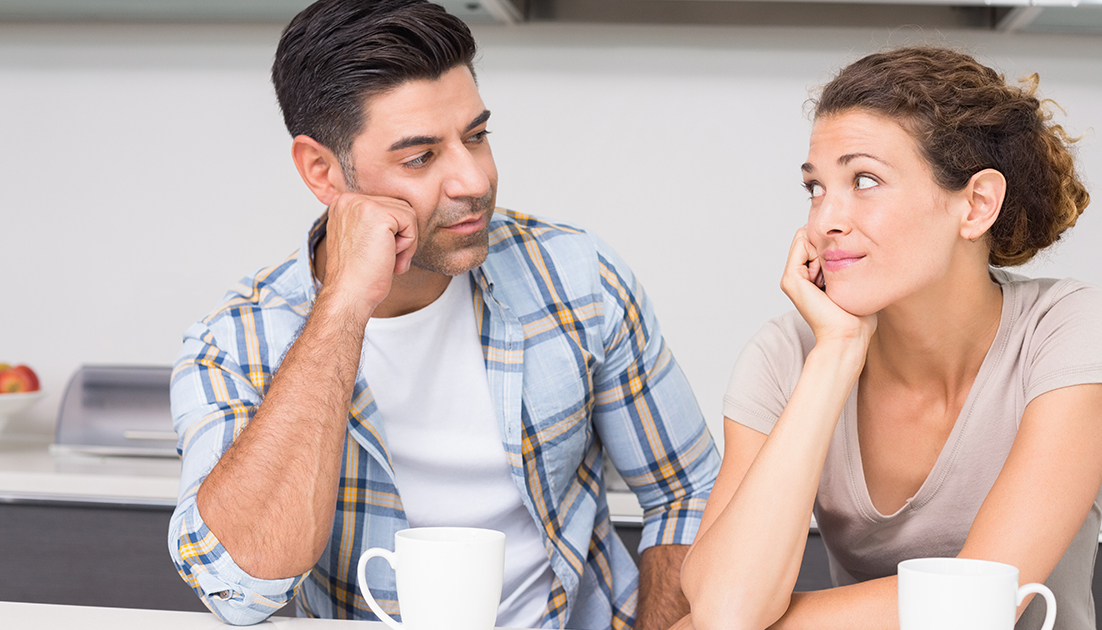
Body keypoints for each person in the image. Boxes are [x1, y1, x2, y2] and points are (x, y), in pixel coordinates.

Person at [166, 2, 719, 628]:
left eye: (476, 137)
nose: (473, 180)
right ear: (322, 171)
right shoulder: (233, 344)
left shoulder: (577, 277)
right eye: (421, 157)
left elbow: (686, 492)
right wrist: (344, 304)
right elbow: (239, 589)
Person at [674, 46, 1102, 630]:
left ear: (976, 205)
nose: (824, 221)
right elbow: (725, 610)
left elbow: (979, 605)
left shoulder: (1068, 327)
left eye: (864, 180)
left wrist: (756, 624)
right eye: (815, 188)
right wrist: (835, 354)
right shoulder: (787, 354)